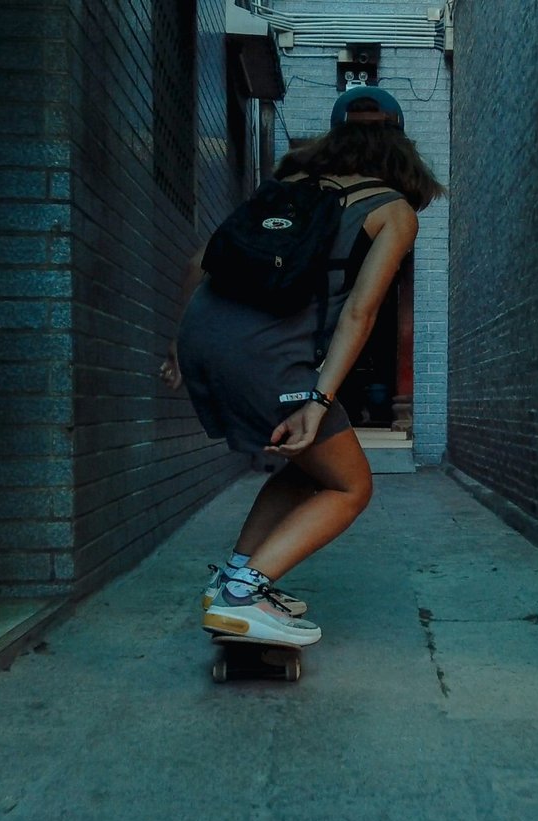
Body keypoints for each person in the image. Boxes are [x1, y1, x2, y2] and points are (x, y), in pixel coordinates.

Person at [157, 87, 444, 649]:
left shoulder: (283, 188)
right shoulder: (392, 210)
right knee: (352, 486)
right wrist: (317, 401)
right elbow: (360, 314)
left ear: (334, 139)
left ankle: (237, 580)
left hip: (203, 337)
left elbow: (199, 261)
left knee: (315, 469)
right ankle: (243, 594)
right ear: (400, 147)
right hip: (268, 357)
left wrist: (176, 349)